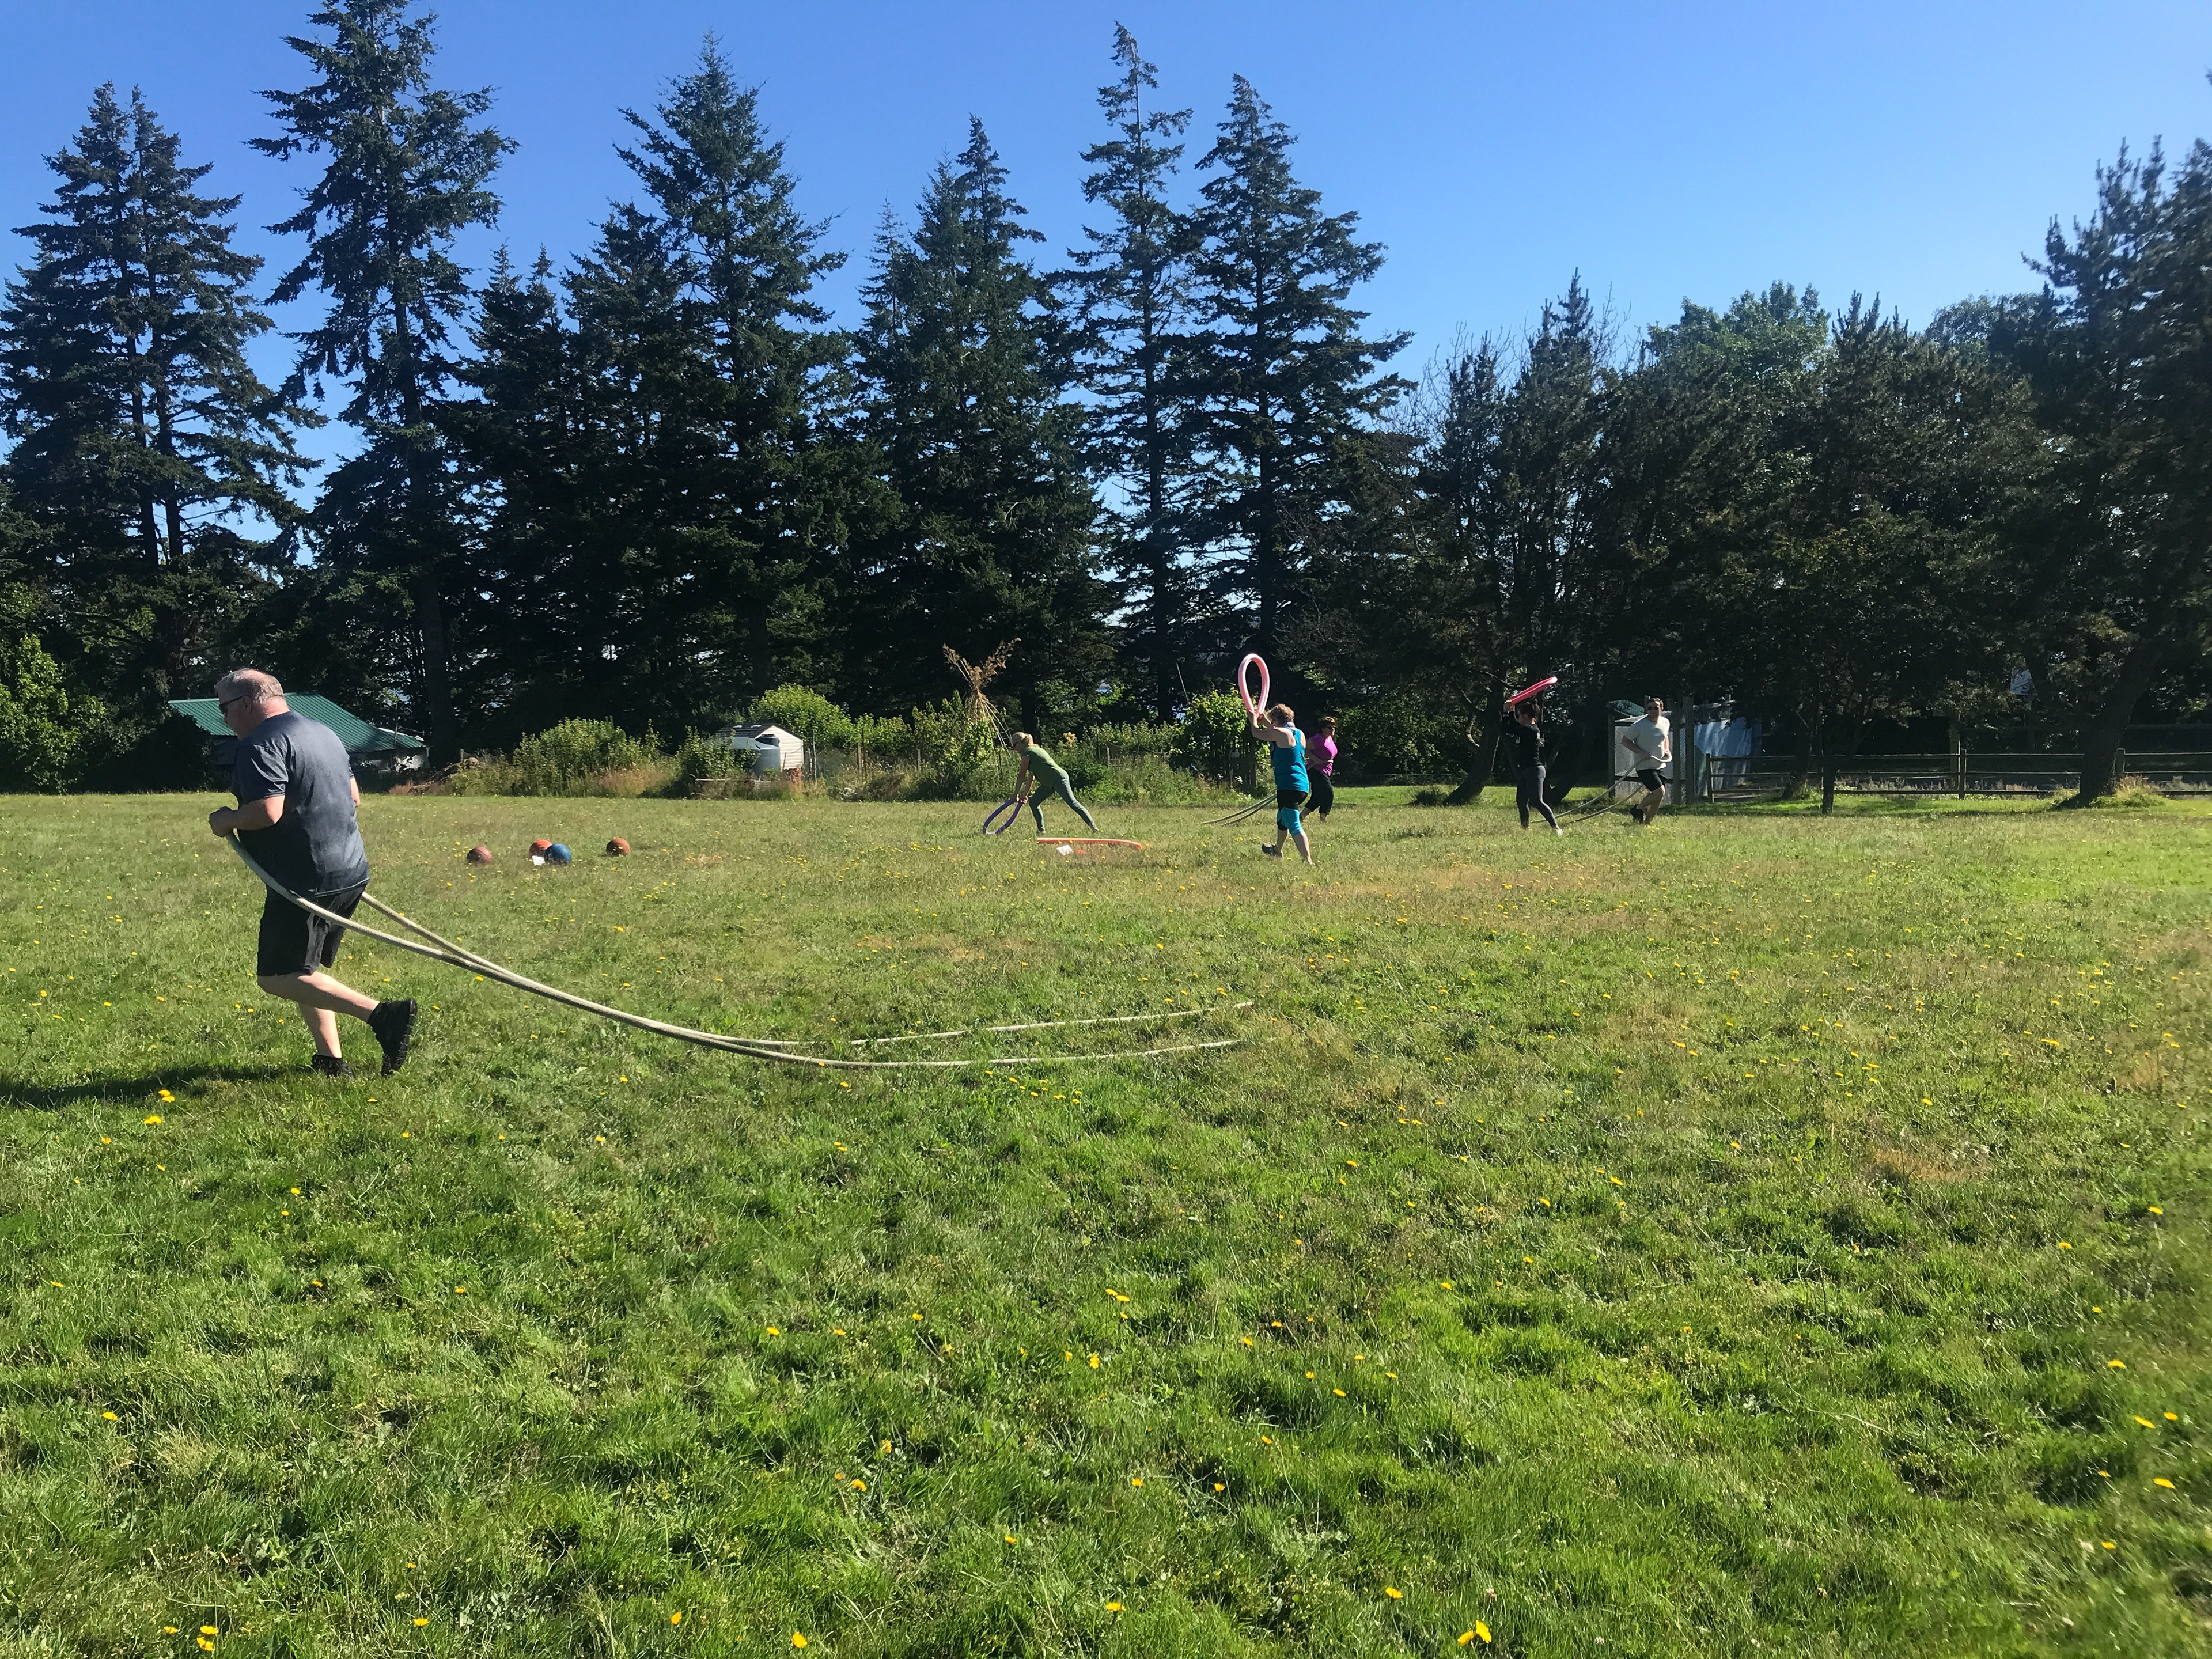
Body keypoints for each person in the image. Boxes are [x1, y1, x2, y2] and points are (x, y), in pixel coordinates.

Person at [203, 669, 417, 1077]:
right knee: (305, 971)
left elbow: (268, 811)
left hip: (305, 879)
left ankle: (383, 1016)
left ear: (247, 704)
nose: (224, 719)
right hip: (349, 870)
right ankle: (330, 1060)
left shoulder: (259, 745)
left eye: (224, 709)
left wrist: (227, 820)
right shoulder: (322, 732)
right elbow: (353, 796)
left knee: (277, 976)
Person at [1248, 701, 1315, 864]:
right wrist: (1265, 721)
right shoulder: (1299, 734)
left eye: (1273, 721)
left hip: (1288, 785)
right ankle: (1277, 850)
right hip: (1302, 785)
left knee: (1294, 825)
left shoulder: (1281, 733)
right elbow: (1279, 733)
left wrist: (1254, 721)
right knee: (1282, 819)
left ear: (1277, 721)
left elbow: (1257, 733)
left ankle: (1308, 861)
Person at [1012, 732, 1097, 834]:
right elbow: (1031, 777)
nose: (1014, 749)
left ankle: (1094, 828)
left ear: (1020, 744)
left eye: (1014, 745)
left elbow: (1021, 775)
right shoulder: (1036, 750)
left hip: (1058, 778)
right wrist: (1024, 795)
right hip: (1048, 784)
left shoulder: (1027, 753)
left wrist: (1015, 794)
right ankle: (1041, 831)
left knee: (1073, 803)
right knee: (1034, 802)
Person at [1502, 700, 1561, 834]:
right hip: (1525, 769)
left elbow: (1509, 728)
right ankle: (1525, 828)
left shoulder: (1531, 730)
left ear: (1526, 716)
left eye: (1519, 715)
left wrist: (1507, 712)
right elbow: (1512, 727)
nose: (1518, 718)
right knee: (1521, 801)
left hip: (1535, 770)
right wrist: (1510, 712)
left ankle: (1556, 828)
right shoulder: (1527, 729)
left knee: (1537, 800)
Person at [1622, 695, 1672, 825]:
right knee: (1660, 792)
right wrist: (1640, 752)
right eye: (1650, 708)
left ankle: (1647, 822)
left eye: (1656, 708)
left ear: (1661, 709)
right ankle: (1637, 809)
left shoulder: (1665, 722)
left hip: (1660, 765)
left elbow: (1665, 737)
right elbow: (1625, 741)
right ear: (1647, 710)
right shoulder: (1638, 726)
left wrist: (1667, 750)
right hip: (1645, 767)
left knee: (1658, 798)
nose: (1652, 711)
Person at [1309, 715, 1340, 820]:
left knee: (1317, 796)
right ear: (1323, 729)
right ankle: (1323, 818)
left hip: (1326, 771)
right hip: (1316, 770)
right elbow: (1304, 749)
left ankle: (1302, 816)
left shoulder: (1330, 739)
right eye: (1330, 728)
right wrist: (1315, 758)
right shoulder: (1318, 739)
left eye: (1334, 727)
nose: (1333, 730)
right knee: (1328, 793)